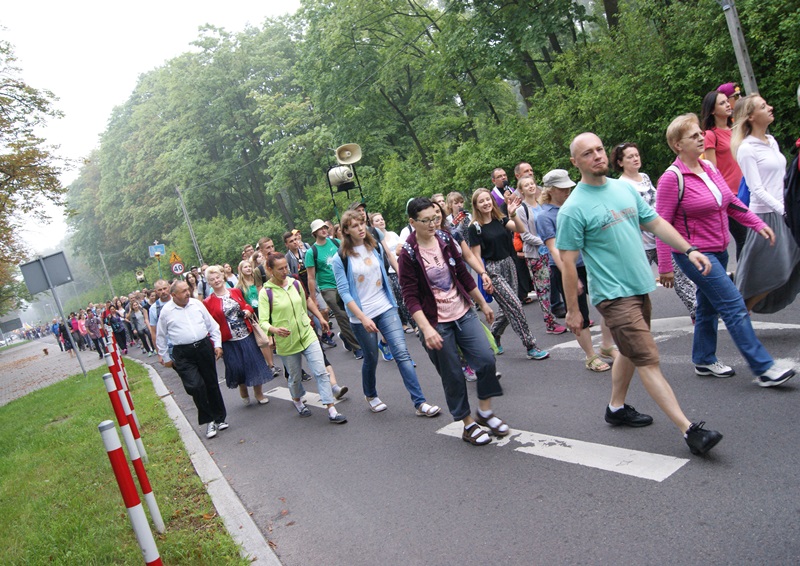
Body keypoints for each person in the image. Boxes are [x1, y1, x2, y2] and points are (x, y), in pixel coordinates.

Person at [557, 131, 723, 455]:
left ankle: (616, 408)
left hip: (640, 286)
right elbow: (567, 263)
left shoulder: (623, 189)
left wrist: (689, 250)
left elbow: (656, 223)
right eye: (588, 153)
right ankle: (690, 431)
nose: (597, 156)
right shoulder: (573, 208)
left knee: (631, 352)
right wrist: (574, 310)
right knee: (648, 359)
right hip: (613, 295)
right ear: (575, 162)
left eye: (600, 149)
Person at [656, 113, 794, 387]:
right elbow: (661, 224)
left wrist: (757, 224)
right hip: (694, 255)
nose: (700, 139)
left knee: (708, 306)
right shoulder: (672, 178)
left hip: (719, 251)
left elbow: (730, 202)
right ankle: (764, 368)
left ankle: (704, 359)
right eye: (693, 136)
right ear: (677, 145)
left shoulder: (709, 168)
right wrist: (664, 267)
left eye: (700, 134)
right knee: (733, 304)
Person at [399, 197, 507, 446]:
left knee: (486, 359)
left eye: (435, 218)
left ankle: (485, 411)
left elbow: (461, 273)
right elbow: (410, 297)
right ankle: (468, 424)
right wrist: (426, 329)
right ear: (412, 222)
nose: (432, 224)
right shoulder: (408, 254)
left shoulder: (445, 239)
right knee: (453, 376)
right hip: (436, 323)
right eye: (425, 220)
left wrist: (482, 302)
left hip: (463, 311)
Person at [333, 210, 441, 417]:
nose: (361, 228)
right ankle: (371, 394)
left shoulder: (374, 247)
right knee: (371, 357)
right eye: (355, 226)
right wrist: (363, 318)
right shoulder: (340, 258)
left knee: (402, 353)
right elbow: (345, 293)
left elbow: (389, 264)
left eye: (362, 223)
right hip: (361, 315)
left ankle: (420, 403)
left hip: (385, 307)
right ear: (346, 230)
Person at [611, 141, 697, 321]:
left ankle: (697, 312)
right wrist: (652, 224)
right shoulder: (620, 186)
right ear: (620, 162)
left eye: (636, 155)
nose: (635, 159)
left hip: (660, 239)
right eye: (629, 157)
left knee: (680, 276)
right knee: (637, 283)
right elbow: (628, 215)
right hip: (639, 243)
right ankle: (635, 320)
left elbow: (658, 203)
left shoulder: (645, 178)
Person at [259, 253, 347, 424]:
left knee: (321, 371)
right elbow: (262, 321)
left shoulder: (295, 283)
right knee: (295, 377)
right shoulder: (266, 293)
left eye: (286, 267)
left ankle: (332, 409)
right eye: (280, 269)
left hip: (307, 334)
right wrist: (274, 329)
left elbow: (306, 301)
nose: (285, 271)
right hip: (287, 341)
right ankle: (297, 400)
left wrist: (320, 318)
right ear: (270, 270)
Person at [731, 95, 800, 313]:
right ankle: (742, 310)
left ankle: (742, 310)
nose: (770, 107)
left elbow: (782, 179)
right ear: (750, 117)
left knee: (791, 265)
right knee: (773, 271)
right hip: (766, 216)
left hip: (783, 211)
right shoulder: (747, 148)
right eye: (763, 106)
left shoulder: (771, 141)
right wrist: (783, 210)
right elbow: (756, 189)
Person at [467, 187, 549, 360]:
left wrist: (512, 214)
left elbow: (521, 229)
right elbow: (475, 256)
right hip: (493, 270)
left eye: (487, 199)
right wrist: (483, 274)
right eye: (481, 201)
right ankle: (531, 346)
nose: (486, 203)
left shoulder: (500, 219)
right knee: (515, 306)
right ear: (476, 205)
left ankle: (494, 334)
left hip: (509, 265)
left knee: (509, 307)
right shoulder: (475, 228)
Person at [157, 280, 228, 439]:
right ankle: (208, 419)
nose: (187, 293)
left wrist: (217, 345)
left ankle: (219, 418)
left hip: (203, 347)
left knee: (211, 383)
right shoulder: (166, 311)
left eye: (188, 290)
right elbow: (161, 336)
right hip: (183, 353)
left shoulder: (196, 304)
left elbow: (212, 325)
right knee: (195, 386)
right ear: (173, 295)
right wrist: (165, 357)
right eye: (183, 291)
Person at [204, 266, 274, 405]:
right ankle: (243, 390)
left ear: (223, 277)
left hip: (246, 334)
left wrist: (247, 311)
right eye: (212, 279)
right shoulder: (208, 302)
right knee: (237, 367)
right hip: (228, 340)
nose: (216, 280)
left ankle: (259, 394)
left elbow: (246, 305)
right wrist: (215, 345)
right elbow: (209, 325)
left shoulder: (235, 291)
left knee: (254, 364)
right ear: (209, 283)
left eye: (218, 277)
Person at [513, 174, 567, 335]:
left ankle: (574, 314)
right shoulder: (521, 210)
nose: (531, 186)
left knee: (557, 284)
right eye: (526, 185)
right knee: (543, 289)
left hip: (550, 252)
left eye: (532, 183)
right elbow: (525, 235)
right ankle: (549, 323)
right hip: (535, 254)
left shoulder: (542, 205)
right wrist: (545, 240)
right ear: (521, 191)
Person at [305, 219, 363, 359]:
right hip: (327, 287)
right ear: (315, 233)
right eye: (320, 229)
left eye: (325, 228)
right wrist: (313, 298)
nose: (324, 230)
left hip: (343, 282)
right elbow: (311, 277)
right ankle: (357, 348)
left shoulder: (336, 243)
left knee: (353, 311)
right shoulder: (311, 252)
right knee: (342, 315)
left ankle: (345, 335)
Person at [700, 90, 747, 259]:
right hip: (730, 195)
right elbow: (712, 170)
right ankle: (743, 282)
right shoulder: (710, 135)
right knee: (744, 238)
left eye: (727, 101)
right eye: (722, 103)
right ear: (712, 110)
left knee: (752, 237)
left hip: (747, 191)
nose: (727, 104)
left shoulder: (736, 129)